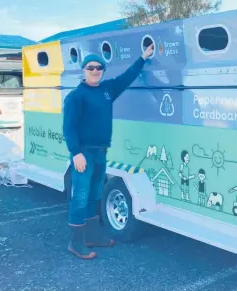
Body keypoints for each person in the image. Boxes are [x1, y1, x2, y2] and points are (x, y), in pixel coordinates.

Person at [62, 44, 155, 260]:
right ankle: (76, 243)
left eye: (99, 68)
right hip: (83, 153)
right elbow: (69, 127)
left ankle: (92, 237)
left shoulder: (106, 90)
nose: (95, 71)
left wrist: (142, 58)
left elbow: (126, 78)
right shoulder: (76, 96)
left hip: (100, 152)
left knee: (95, 194)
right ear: (84, 71)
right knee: (80, 196)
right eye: (90, 67)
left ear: (103, 70)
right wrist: (75, 153)